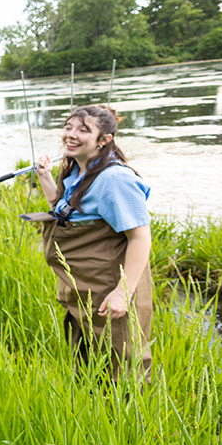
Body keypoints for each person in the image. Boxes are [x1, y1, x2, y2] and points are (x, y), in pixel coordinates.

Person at [34, 104, 153, 380]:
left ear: (104, 140)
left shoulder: (114, 179)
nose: (71, 135)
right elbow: (64, 210)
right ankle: (97, 419)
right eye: (68, 127)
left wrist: (123, 291)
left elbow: (140, 237)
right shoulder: (78, 171)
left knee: (123, 365)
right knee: (89, 360)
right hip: (84, 285)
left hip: (110, 284)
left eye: (83, 130)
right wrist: (45, 177)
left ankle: (130, 423)